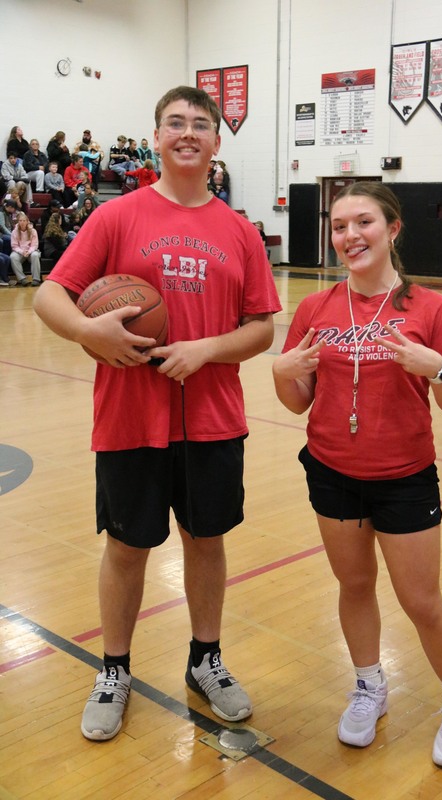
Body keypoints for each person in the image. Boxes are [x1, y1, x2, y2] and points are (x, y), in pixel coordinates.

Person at [33, 84, 281, 743]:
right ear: (157, 138)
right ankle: (114, 669)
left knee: (206, 542)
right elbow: (50, 296)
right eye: (175, 123)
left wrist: (206, 349)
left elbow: (261, 328)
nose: (187, 132)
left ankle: (206, 661)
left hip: (212, 419)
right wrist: (91, 334)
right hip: (128, 418)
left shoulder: (238, 231)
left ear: (216, 143)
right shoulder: (117, 217)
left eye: (200, 124)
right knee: (126, 547)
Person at [272, 181, 442, 771]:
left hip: (405, 475)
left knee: (421, 600)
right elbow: (297, 399)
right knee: (354, 585)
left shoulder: (431, 308)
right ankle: (369, 685)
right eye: (339, 226)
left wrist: (436, 367)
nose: (349, 236)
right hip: (331, 470)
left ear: (392, 229)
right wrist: (281, 373)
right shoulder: (315, 308)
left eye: (362, 222)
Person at [10, 212, 41, 286]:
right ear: (18, 221)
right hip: (20, 252)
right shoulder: (14, 232)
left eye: (24, 221)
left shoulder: (33, 231)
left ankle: (36, 279)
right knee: (13, 256)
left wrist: (29, 251)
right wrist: (22, 252)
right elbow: (14, 246)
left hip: (31, 251)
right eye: (20, 220)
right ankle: (22, 279)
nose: (22, 222)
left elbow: (35, 245)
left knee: (35, 255)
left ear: (27, 222)